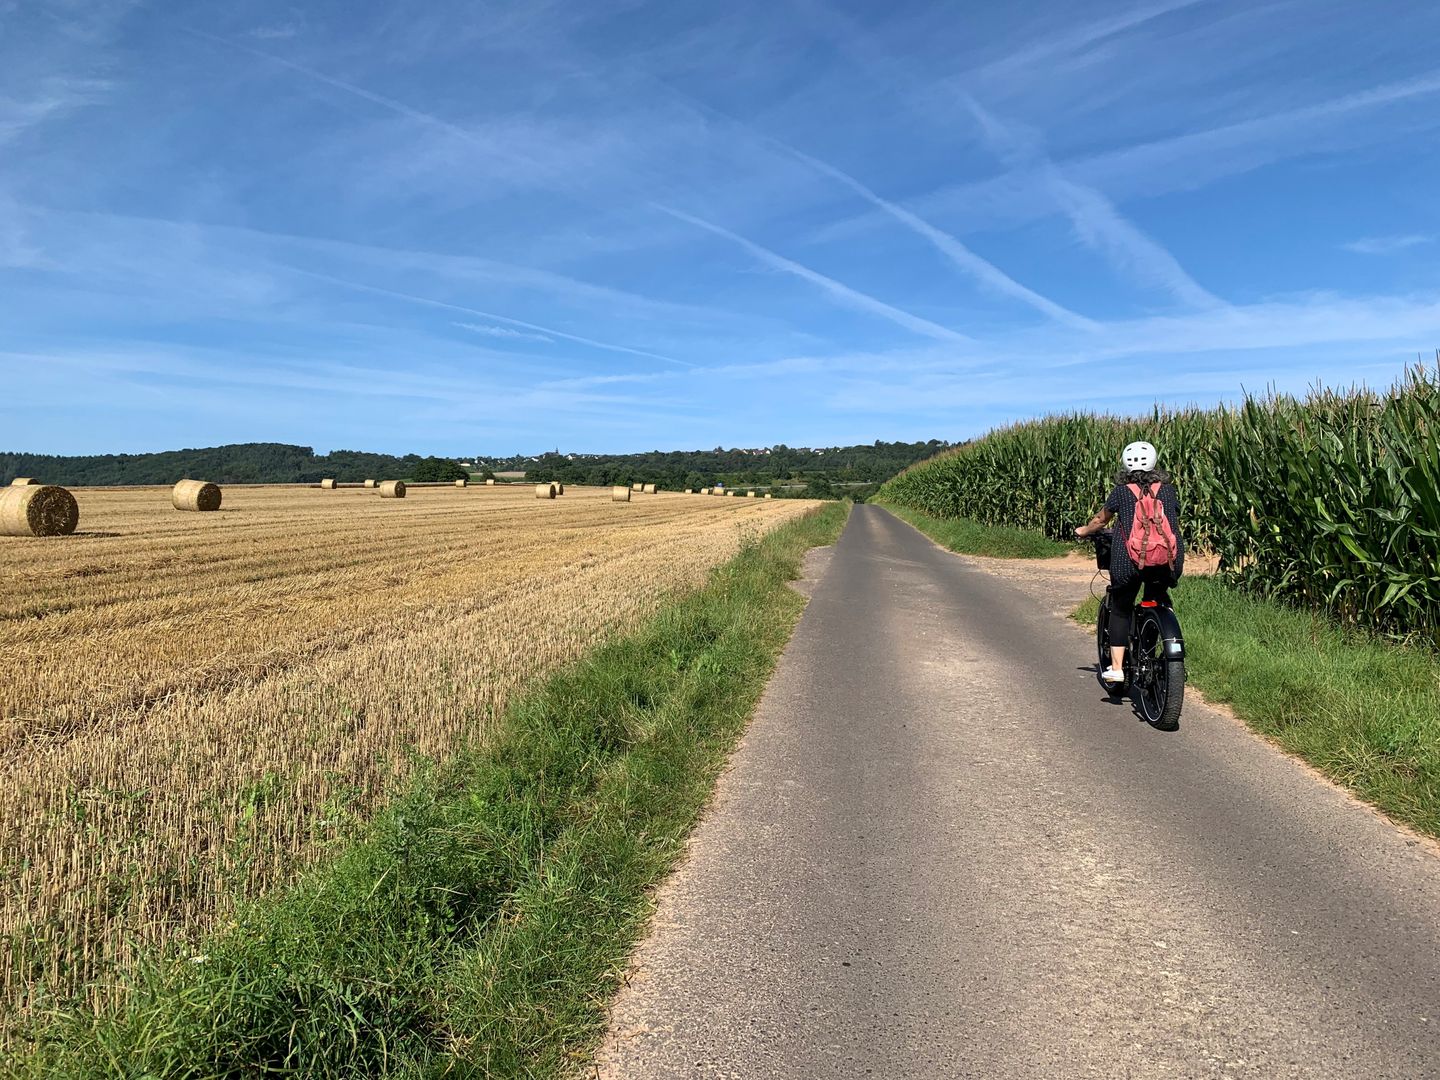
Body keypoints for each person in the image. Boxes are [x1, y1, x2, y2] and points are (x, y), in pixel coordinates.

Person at [1074, 441, 1184, 685]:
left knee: (1121, 607)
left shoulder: (1121, 492)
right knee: (1156, 597)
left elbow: (1100, 520)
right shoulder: (1168, 490)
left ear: (1125, 464)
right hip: (1168, 561)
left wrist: (1084, 531)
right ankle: (1156, 633)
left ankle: (1116, 669)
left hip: (1129, 563)